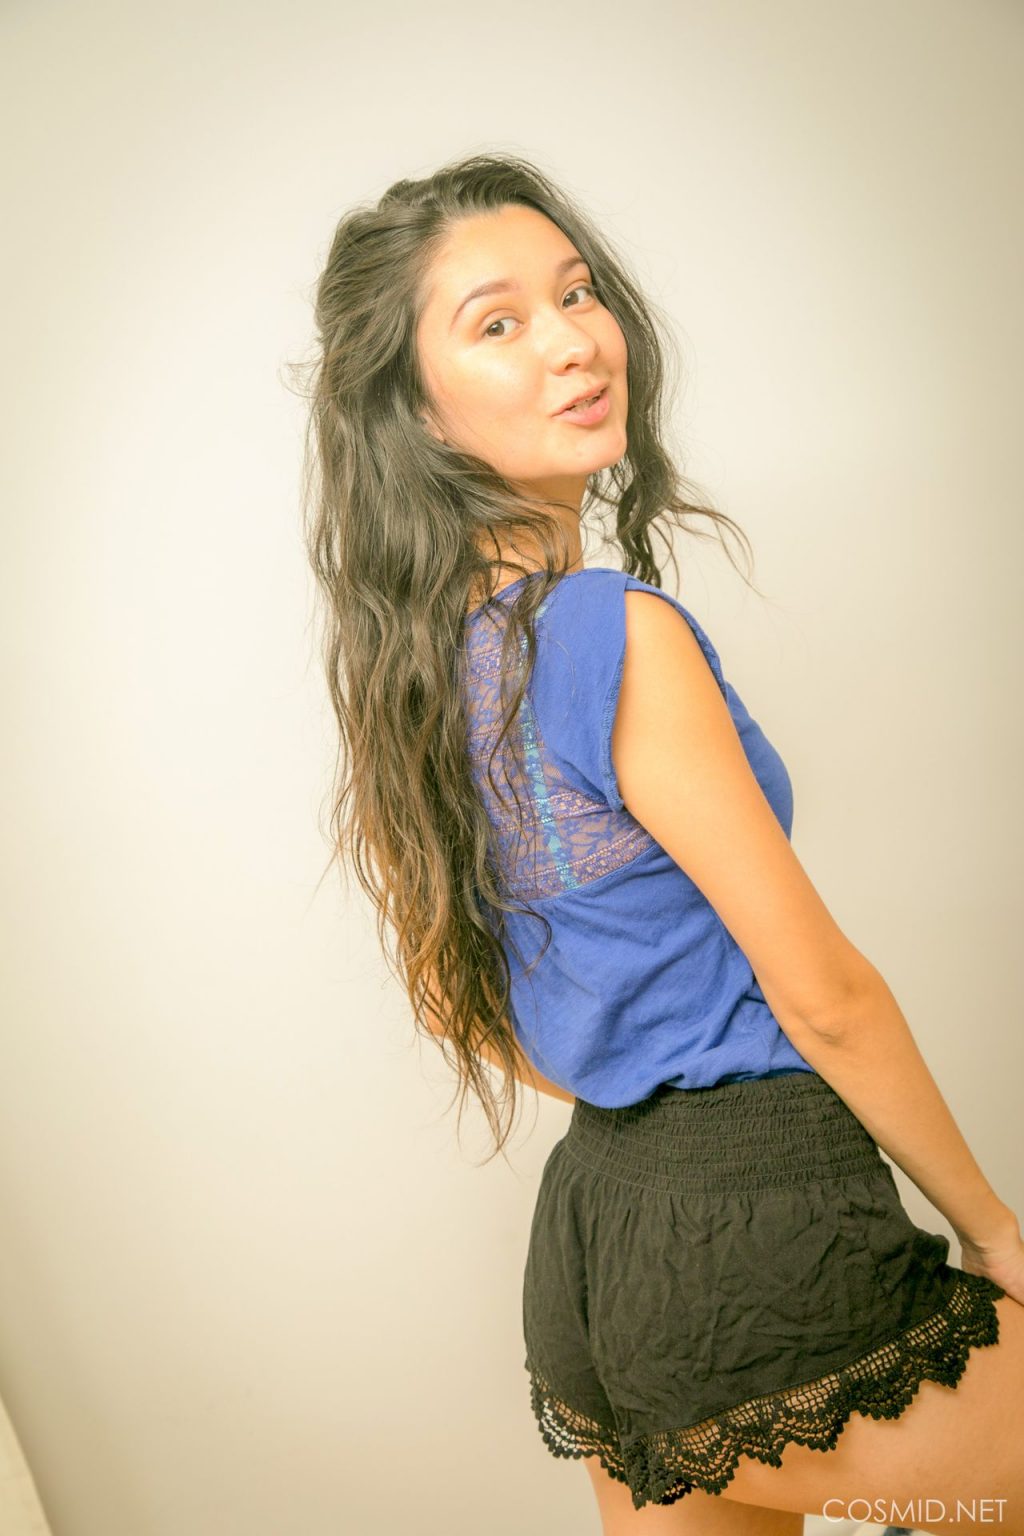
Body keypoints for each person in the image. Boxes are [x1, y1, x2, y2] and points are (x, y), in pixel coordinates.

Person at [296, 152, 1024, 1531]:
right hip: (753, 1226)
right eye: (499, 322)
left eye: (577, 293)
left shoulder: (423, 674)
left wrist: (643, 1082)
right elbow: (827, 997)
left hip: (599, 1237)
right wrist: (993, 1229)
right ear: (418, 412)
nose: (573, 341)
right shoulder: (603, 629)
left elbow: (460, 997)